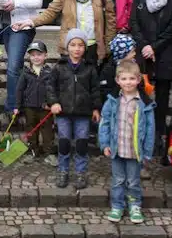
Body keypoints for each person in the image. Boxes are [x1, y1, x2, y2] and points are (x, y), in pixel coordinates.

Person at [129, 0, 172, 161]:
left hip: (166, 54)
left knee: (162, 100)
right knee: (142, 95)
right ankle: (142, 136)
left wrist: (155, 47)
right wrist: (144, 46)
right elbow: (134, 22)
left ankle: (159, 138)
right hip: (144, 55)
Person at [99, 60, 156, 224]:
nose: (128, 82)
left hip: (134, 150)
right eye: (124, 79)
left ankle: (134, 205)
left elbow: (150, 129)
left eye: (131, 79)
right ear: (118, 80)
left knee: (133, 180)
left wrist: (147, 151)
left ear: (138, 79)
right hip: (117, 149)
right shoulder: (112, 101)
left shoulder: (144, 104)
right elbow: (105, 123)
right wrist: (104, 143)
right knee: (118, 180)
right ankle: (117, 205)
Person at [48, 29, 101, 190]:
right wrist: (53, 103)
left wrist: (96, 108)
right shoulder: (59, 67)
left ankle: (80, 172)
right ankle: (63, 171)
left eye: (80, 45)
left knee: (81, 143)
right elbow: (51, 87)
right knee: (63, 142)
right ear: (67, 47)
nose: (76, 49)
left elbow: (95, 90)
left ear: (84, 48)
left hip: (83, 113)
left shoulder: (90, 68)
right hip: (63, 112)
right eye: (73, 45)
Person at [0, 0, 43, 114]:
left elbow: (38, 2)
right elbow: (3, 1)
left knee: (13, 67)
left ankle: (12, 107)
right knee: (18, 67)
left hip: (22, 27)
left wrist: (16, 4)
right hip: (7, 27)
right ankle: (25, 100)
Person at [99, 33, 152, 180]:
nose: (135, 53)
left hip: (134, 107)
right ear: (123, 53)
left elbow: (140, 87)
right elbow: (104, 91)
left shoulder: (135, 66)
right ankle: (119, 166)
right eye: (132, 51)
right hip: (117, 109)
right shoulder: (109, 70)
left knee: (135, 137)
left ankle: (139, 165)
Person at [13, 41, 56, 167]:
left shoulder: (50, 72)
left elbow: (53, 89)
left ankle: (49, 153)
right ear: (29, 57)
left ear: (45, 56)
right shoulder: (25, 73)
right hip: (29, 107)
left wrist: (53, 103)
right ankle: (33, 151)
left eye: (39, 54)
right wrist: (17, 106)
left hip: (45, 107)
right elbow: (19, 90)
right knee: (31, 129)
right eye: (33, 55)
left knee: (48, 130)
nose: (36, 57)